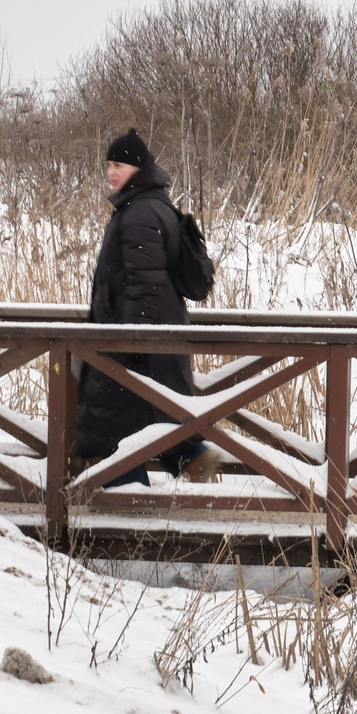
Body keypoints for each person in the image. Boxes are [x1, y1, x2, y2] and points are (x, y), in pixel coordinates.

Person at [74, 129, 216, 484]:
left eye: (118, 164)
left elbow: (144, 284)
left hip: (140, 344)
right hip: (152, 341)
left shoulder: (140, 212)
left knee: (120, 430)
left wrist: (129, 340)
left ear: (137, 167)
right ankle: (200, 472)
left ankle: (130, 500)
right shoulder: (148, 203)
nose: (111, 171)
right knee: (159, 425)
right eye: (108, 164)